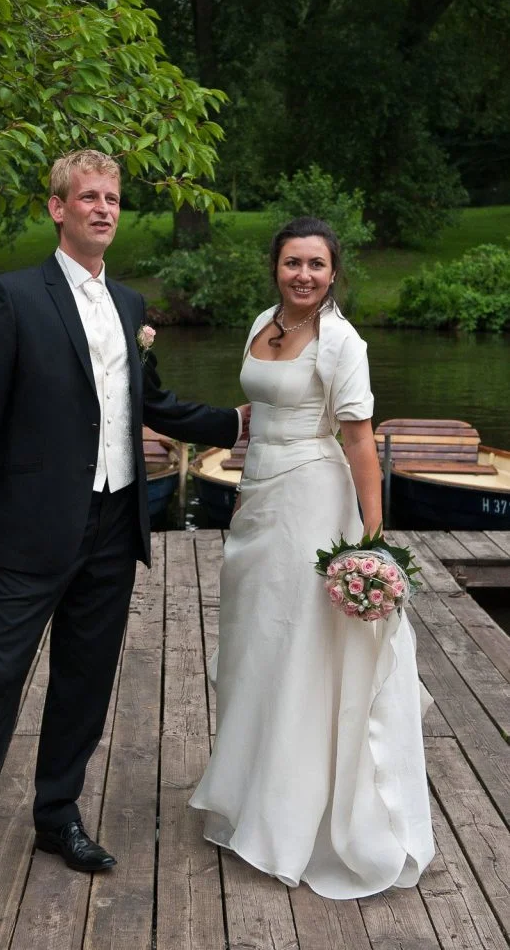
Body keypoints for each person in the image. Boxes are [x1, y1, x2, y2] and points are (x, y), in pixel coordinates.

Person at [0, 149, 249, 933]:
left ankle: (57, 817)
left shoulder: (128, 302)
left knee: (85, 682)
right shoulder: (13, 298)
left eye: (113, 198)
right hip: (36, 526)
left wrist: (240, 424)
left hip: (116, 528)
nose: (104, 209)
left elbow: (155, 402)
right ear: (57, 208)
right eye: (89, 197)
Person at [189, 217, 434, 899]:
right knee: (255, 646)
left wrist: (371, 536)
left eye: (316, 266)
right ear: (276, 266)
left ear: (334, 273)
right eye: (293, 262)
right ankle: (248, 792)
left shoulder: (341, 343)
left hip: (311, 504)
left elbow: (359, 440)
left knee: (298, 649)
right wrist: (241, 485)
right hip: (260, 499)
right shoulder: (264, 323)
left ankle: (297, 818)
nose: (303, 275)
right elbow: (259, 414)